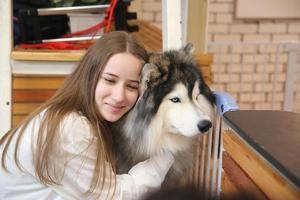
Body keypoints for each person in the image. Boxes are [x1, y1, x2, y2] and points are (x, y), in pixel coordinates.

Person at [0, 31, 174, 200]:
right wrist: (168, 153)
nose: (119, 96)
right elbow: (114, 196)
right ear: (90, 77)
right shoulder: (70, 127)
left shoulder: (85, 119)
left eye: (131, 86)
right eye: (109, 80)